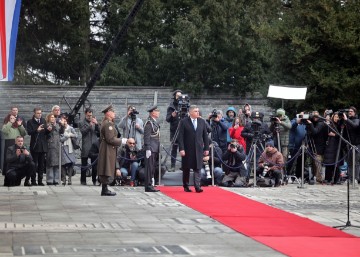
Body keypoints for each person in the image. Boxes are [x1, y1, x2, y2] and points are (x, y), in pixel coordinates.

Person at [178, 105, 210, 193]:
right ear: (191, 112)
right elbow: (180, 136)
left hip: (199, 148)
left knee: (198, 168)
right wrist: (181, 148)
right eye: (195, 111)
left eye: (198, 111)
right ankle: (186, 186)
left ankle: (197, 186)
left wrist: (206, 148)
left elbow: (205, 136)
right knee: (186, 168)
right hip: (187, 149)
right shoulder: (184, 122)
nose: (197, 113)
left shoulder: (202, 122)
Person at [97, 105, 123, 196]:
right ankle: (104, 189)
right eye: (113, 112)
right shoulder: (108, 124)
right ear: (108, 113)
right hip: (107, 148)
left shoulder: (107, 122)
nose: (114, 113)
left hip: (107, 148)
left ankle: (105, 189)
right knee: (106, 167)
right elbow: (110, 139)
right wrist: (122, 141)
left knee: (106, 167)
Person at [26, 107, 47, 186]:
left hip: (42, 146)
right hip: (35, 146)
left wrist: (48, 130)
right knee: (34, 164)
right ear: (34, 113)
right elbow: (29, 132)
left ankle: (40, 180)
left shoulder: (43, 120)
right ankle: (33, 181)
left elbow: (45, 133)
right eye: (38, 113)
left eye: (40, 113)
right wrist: (36, 130)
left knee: (41, 165)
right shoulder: (30, 122)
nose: (39, 115)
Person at [79, 108, 100, 185]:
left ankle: (94, 180)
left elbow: (100, 133)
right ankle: (83, 180)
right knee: (84, 164)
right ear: (85, 114)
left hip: (94, 146)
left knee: (94, 164)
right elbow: (83, 132)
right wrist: (89, 126)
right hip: (86, 145)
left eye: (91, 115)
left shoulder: (94, 121)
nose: (89, 117)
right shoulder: (81, 122)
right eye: (88, 115)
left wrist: (97, 124)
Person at [143, 105, 161, 192]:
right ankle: (148, 185)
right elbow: (146, 137)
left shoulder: (154, 122)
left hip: (155, 148)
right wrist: (147, 148)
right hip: (151, 148)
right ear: (152, 112)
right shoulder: (149, 123)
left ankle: (151, 184)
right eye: (157, 111)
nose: (158, 112)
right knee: (149, 168)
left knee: (152, 168)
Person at [342, 106, 360, 183]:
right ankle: (350, 178)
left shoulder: (357, 120)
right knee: (349, 162)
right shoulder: (347, 120)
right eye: (349, 111)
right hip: (348, 144)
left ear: (354, 112)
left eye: (351, 111)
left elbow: (355, 126)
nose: (349, 112)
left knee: (355, 162)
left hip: (357, 144)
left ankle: (355, 178)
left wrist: (346, 119)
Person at [166, 89, 182, 171]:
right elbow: (167, 119)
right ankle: (172, 166)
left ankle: (185, 166)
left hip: (183, 131)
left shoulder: (184, 105)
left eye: (180, 96)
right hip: (174, 130)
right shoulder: (171, 107)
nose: (179, 97)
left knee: (184, 149)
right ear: (174, 97)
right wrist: (172, 115)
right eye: (177, 96)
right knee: (174, 149)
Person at [45, 113, 62, 185]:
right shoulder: (47, 125)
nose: (53, 118)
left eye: (54, 117)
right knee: (50, 163)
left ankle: (57, 179)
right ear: (48, 118)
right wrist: (52, 127)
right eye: (51, 117)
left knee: (57, 164)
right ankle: (50, 179)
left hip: (57, 145)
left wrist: (62, 125)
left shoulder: (57, 125)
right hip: (50, 145)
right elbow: (47, 133)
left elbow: (61, 132)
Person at [60, 116, 77, 186]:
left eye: (65, 121)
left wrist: (70, 134)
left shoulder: (71, 128)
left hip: (70, 148)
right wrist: (66, 136)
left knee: (70, 164)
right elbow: (60, 139)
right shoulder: (60, 129)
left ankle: (69, 178)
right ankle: (64, 179)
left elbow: (76, 135)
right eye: (63, 121)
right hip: (63, 147)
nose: (64, 122)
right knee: (63, 164)